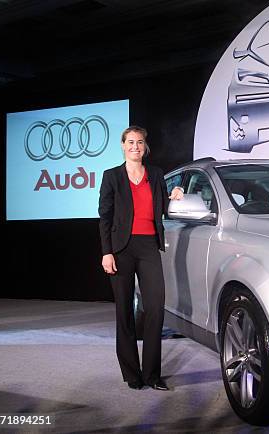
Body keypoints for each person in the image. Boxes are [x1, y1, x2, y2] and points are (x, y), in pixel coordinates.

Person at [98, 125, 183, 391]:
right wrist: (106, 252)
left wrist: (176, 195)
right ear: (123, 145)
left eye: (140, 142)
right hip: (121, 249)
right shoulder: (111, 176)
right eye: (131, 142)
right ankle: (132, 374)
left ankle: (152, 375)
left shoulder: (156, 174)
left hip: (148, 246)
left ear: (145, 147)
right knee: (124, 311)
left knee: (155, 308)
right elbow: (105, 217)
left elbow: (163, 207)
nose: (135, 146)